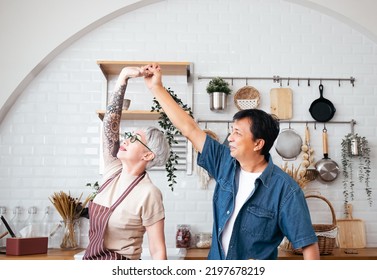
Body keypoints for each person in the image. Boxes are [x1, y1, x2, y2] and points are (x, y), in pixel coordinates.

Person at [142, 63, 320, 260]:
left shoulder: (286, 190)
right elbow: (189, 128)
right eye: (231, 131)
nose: (231, 138)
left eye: (237, 133)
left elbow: (309, 246)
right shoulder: (224, 163)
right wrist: (155, 87)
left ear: (258, 144)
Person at [83, 67, 170, 260]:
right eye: (128, 136)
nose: (125, 140)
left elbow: (157, 250)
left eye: (135, 139)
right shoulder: (113, 171)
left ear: (148, 155)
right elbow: (109, 126)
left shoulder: (149, 193)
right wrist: (123, 78)